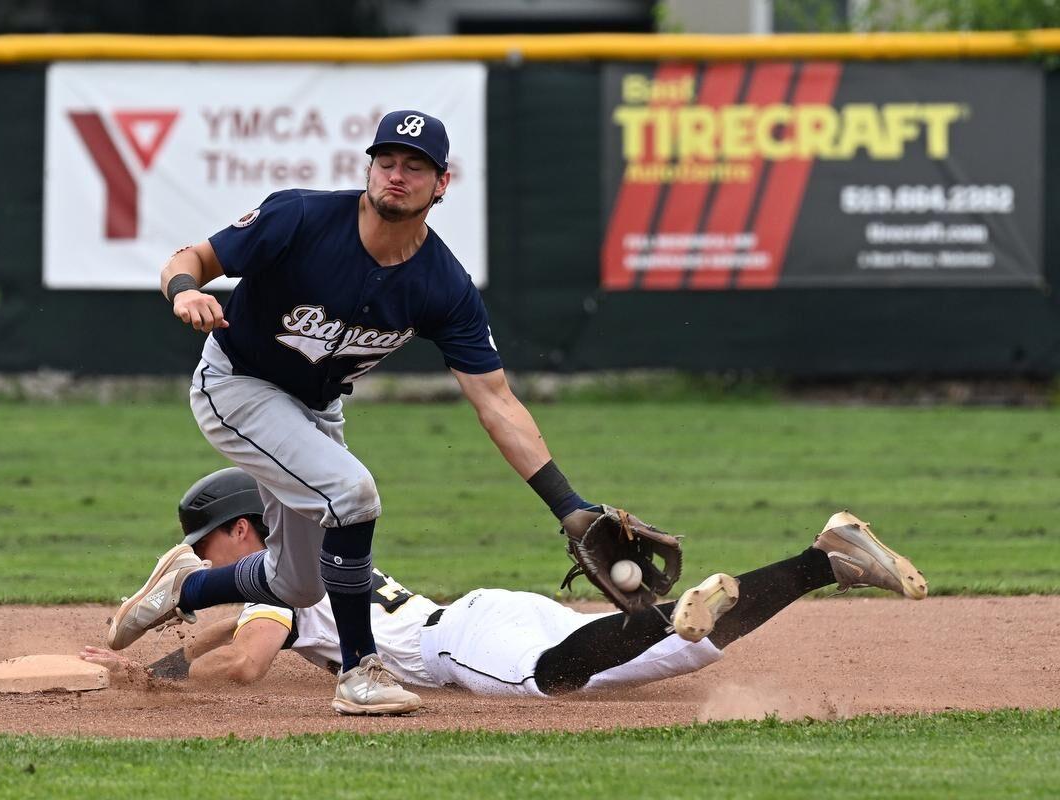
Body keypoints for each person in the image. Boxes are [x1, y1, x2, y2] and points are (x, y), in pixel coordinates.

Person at [107, 110, 646, 715]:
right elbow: (191, 257)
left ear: (441, 184)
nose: (396, 174)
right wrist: (185, 291)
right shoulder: (301, 217)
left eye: (414, 166)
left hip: (316, 409)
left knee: (298, 583)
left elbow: (496, 400)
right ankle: (360, 674)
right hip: (236, 386)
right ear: (369, 167)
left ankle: (188, 585)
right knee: (352, 493)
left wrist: (569, 506)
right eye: (386, 161)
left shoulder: (442, 284)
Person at [88, 468, 928, 702]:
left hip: (462, 646)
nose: (206, 554)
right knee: (687, 652)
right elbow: (226, 635)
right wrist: (160, 666)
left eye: (207, 542)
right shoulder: (309, 557)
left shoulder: (284, 570)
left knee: (554, 679)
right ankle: (826, 560)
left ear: (241, 530)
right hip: (487, 609)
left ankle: (694, 607)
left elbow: (245, 661)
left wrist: (164, 688)